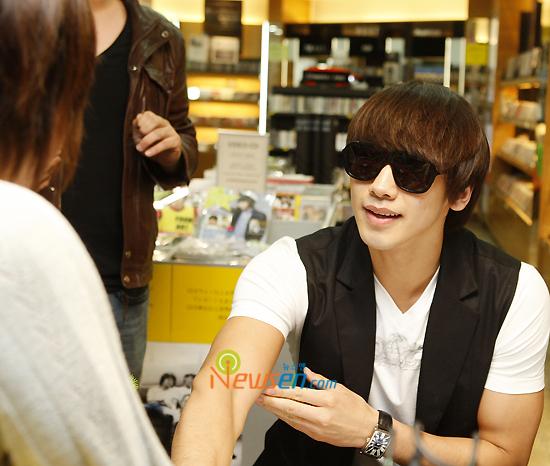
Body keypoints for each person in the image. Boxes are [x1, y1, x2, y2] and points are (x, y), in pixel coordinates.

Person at [172, 82, 550, 466]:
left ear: (461, 193)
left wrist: (374, 433)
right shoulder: (294, 265)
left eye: (411, 171)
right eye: (365, 162)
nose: (380, 188)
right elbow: (220, 389)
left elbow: (505, 455)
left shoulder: (513, 292)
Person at [0, 1, 171, 465]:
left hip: (123, 277)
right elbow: (114, 451)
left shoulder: (158, 35)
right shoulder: (21, 231)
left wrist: (174, 148)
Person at [57, 0, 198, 381]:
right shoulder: (23, 23)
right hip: (29, 276)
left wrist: (172, 149)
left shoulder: (161, 37)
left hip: (122, 286)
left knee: (119, 411)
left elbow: (182, 137)